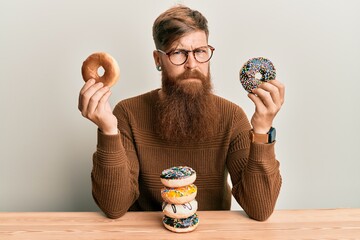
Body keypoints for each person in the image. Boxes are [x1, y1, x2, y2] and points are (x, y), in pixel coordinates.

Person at [78, 5, 285, 221]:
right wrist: (108, 131)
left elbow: (260, 209)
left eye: (200, 52)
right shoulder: (128, 113)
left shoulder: (232, 116)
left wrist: (262, 130)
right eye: (178, 53)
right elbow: (114, 207)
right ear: (158, 60)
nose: (192, 64)